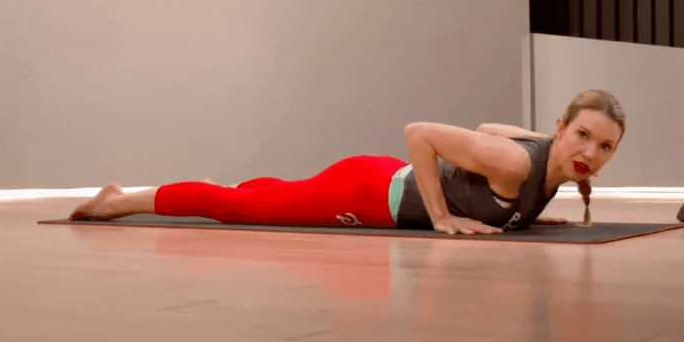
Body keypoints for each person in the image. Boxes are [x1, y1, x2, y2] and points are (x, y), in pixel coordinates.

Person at [70, 90, 624, 235]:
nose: (589, 154)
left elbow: (483, 131)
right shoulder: (519, 164)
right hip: (366, 195)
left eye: (604, 147)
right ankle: (119, 200)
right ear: (560, 127)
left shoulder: (544, 164)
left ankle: (245, 189)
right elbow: (420, 133)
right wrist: (440, 217)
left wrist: (528, 211)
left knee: (270, 196)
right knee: (234, 208)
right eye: (581, 136)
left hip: (376, 179)